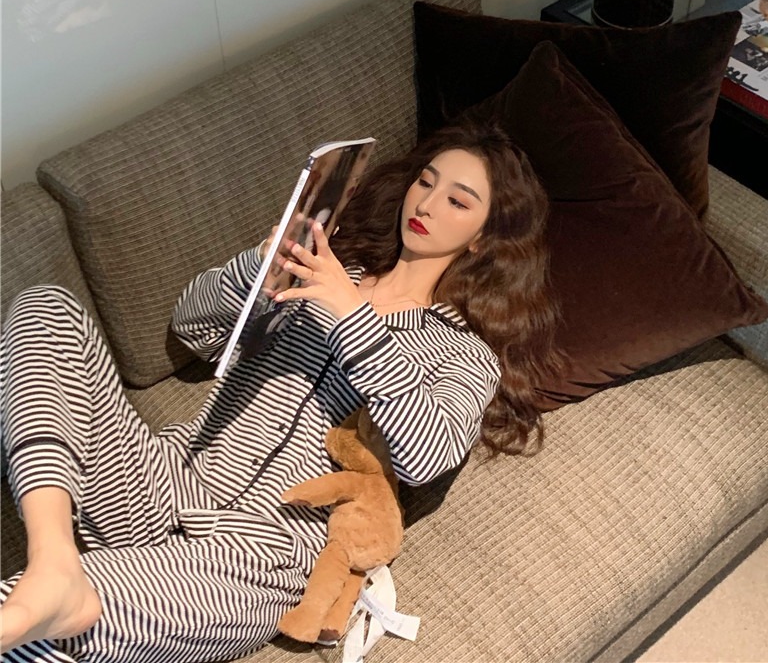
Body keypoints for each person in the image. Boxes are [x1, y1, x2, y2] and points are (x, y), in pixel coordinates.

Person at [0, 119, 562, 662]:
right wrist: (261, 267)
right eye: (425, 182)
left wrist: (353, 316)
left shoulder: (465, 355)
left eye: (458, 202)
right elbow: (191, 328)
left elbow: (427, 456)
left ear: (483, 238)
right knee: (45, 308)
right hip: (164, 478)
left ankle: (62, 590)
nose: (427, 205)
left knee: (43, 624)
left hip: (256, 559)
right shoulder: (327, 268)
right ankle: (53, 554)